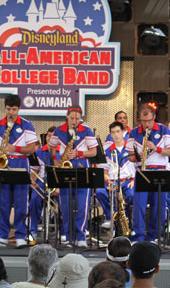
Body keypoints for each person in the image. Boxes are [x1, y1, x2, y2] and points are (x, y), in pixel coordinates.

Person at [0, 95, 37, 247]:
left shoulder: (27, 125)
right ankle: (2, 236)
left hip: (20, 162)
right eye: (8, 109)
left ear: (19, 109)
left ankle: (20, 236)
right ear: (5, 108)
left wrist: (15, 148)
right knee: (2, 203)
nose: (11, 112)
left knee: (21, 204)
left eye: (14, 109)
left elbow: (31, 148)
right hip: (3, 164)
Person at [49, 105, 98, 248]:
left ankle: (81, 236)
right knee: (65, 205)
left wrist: (79, 153)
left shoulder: (86, 130)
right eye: (72, 118)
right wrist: (56, 161)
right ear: (67, 116)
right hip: (65, 168)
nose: (74, 121)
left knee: (82, 206)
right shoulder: (59, 130)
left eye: (77, 118)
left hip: (82, 167)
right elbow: (52, 146)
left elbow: (94, 152)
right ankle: (67, 236)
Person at [127, 104, 170, 242]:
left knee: (159, 206)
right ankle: (138, 236)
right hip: (142, 171)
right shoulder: (134, 133)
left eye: (149, 120)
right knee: (139, 206)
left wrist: (156, 148)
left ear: (154, 117)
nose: (146, 124)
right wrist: (138, 156)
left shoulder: (164, 130)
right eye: (143, 121)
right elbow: (130, 157)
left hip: (160, 171)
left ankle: (154, 236)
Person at [97, 122, 134, 231]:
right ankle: (110, 218)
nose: (116, 135)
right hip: (112, 181)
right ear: (110, 134)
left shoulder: (132, 149)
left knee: (131, 195)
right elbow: (104, 171)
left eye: (118, 132)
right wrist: (108, 182)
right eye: (113, 132)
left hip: (128, 181)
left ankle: (127, 221)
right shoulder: (106, 151)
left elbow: (139, 167)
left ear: (123, 132)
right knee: (100, 192)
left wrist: (134, 180)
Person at [28, 127, 56, 241]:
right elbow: (34, 170)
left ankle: (64, 233)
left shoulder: (61, 151)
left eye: (53, 136)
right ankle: (33, 230)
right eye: (49, 136)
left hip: (58, 183)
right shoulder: (38, 152)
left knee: (65, 201)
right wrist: (33, 181)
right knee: (34, 199)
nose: (50, 138)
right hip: (42, 182)